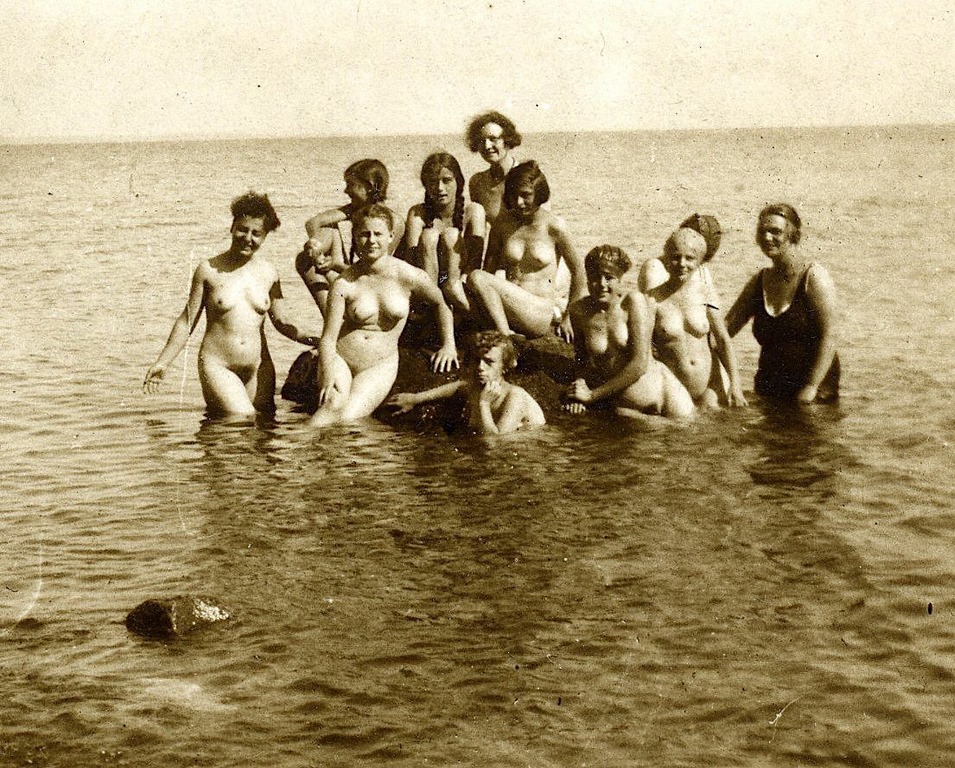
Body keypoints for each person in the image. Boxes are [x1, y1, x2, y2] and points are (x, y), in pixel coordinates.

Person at [144, 192, 321, 418]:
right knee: (241, 420)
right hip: (217, 365)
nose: (248, 238)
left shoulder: (269, 272)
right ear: (232, 227)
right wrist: (163, 363)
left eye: (256, 233)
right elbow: (187, 321)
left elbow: (282, 321)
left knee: (264, 426)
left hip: (259, 367)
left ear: (265, 236)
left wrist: (317, 340)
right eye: (242, 230)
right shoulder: (208, 270)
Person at [311, 203, 458, 426]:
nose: (371, 240)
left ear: (390, 236)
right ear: (355, 238)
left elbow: (441, 303)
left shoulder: (409, 276)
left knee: (349, 419)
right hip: (341, 359)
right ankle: (298, 448)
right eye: (364, 234)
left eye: (377, 234)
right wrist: (328, 372)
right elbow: (328, 338)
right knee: (332, 404)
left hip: (379, 365)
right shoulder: (344, 282)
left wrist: (449, 345)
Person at [725, 203, 839, 402]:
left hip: (814, 390)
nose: (767, 237)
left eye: (775, 231)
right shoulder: (760, 281)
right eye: (762, 232)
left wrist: (811, 387)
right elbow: (726, 329)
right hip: (769, 386)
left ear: (793, 235)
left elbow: (830, 336)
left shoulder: (813, 277)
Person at [564, 245, 694, 419]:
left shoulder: (632, 302)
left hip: (667, 394)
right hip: (629, 407)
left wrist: (591, 396)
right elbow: (582, 360)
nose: (601, 284)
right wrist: (578, 388)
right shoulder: (578, 311)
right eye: (594, 277)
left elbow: (640, 364)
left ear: (620, 280)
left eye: (609, 278)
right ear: (587, 280)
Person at [466, 161, 585, 341]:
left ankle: (505, 337)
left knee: (476, 277)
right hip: (509, 309)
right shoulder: (502, 226)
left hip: (538, 313)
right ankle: (503, 330)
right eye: (514, 196)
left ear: (539, 193)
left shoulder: (554, 226)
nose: (519, 202)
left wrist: (568, 317)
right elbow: (489, 271)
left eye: (526, 195)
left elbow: (579, 272)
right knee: (459, 288)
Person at [646, 228, 747, 408]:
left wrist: (736, 386)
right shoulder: (653, 299)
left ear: (700, 261)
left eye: (690, 258)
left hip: (709, 385)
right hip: (674, 389)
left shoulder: (705, 292)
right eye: (676, 257)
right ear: (666, 259)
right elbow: (643, 350)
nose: (682, 264)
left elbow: (723, 340)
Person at [296, 159, 404, 316]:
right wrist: (315, 248)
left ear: (369, 186)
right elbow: (313, 223)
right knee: (313, 248)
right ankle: (332, 317)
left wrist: (336, 265)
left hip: (377, 284)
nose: (346, 191)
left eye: (350, 184)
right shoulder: (355, 210)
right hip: (356, 273)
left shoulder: (393, 221)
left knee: (307, 258)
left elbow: (375, 270)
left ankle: (336, 319)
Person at [387, 331, 545, 435]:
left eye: (489, 362)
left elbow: (495, 445)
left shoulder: (514, 396)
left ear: (504, 366)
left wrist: (484, 404)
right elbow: (458, 387)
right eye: (477, 360)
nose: (480, 367)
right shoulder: (476, 386)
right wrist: (415, 399)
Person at [404, 152, 486, 310]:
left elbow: (474, 263)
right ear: (426, 185)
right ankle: (431, 308)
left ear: (458, 182)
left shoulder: (473, 211)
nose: (440, 188)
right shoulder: (417, 213)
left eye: (446, 180)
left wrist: (457, 289)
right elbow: (411, 260)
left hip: (460, 287)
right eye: (433, 182)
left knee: (451, 235)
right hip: (428, 287)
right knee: (429, 235)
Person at [465, 111, 522, 227]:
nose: (487, 146)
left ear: (507, 140)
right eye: (481, 140)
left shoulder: (529, 176)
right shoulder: (477, 182)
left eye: (493, 139)